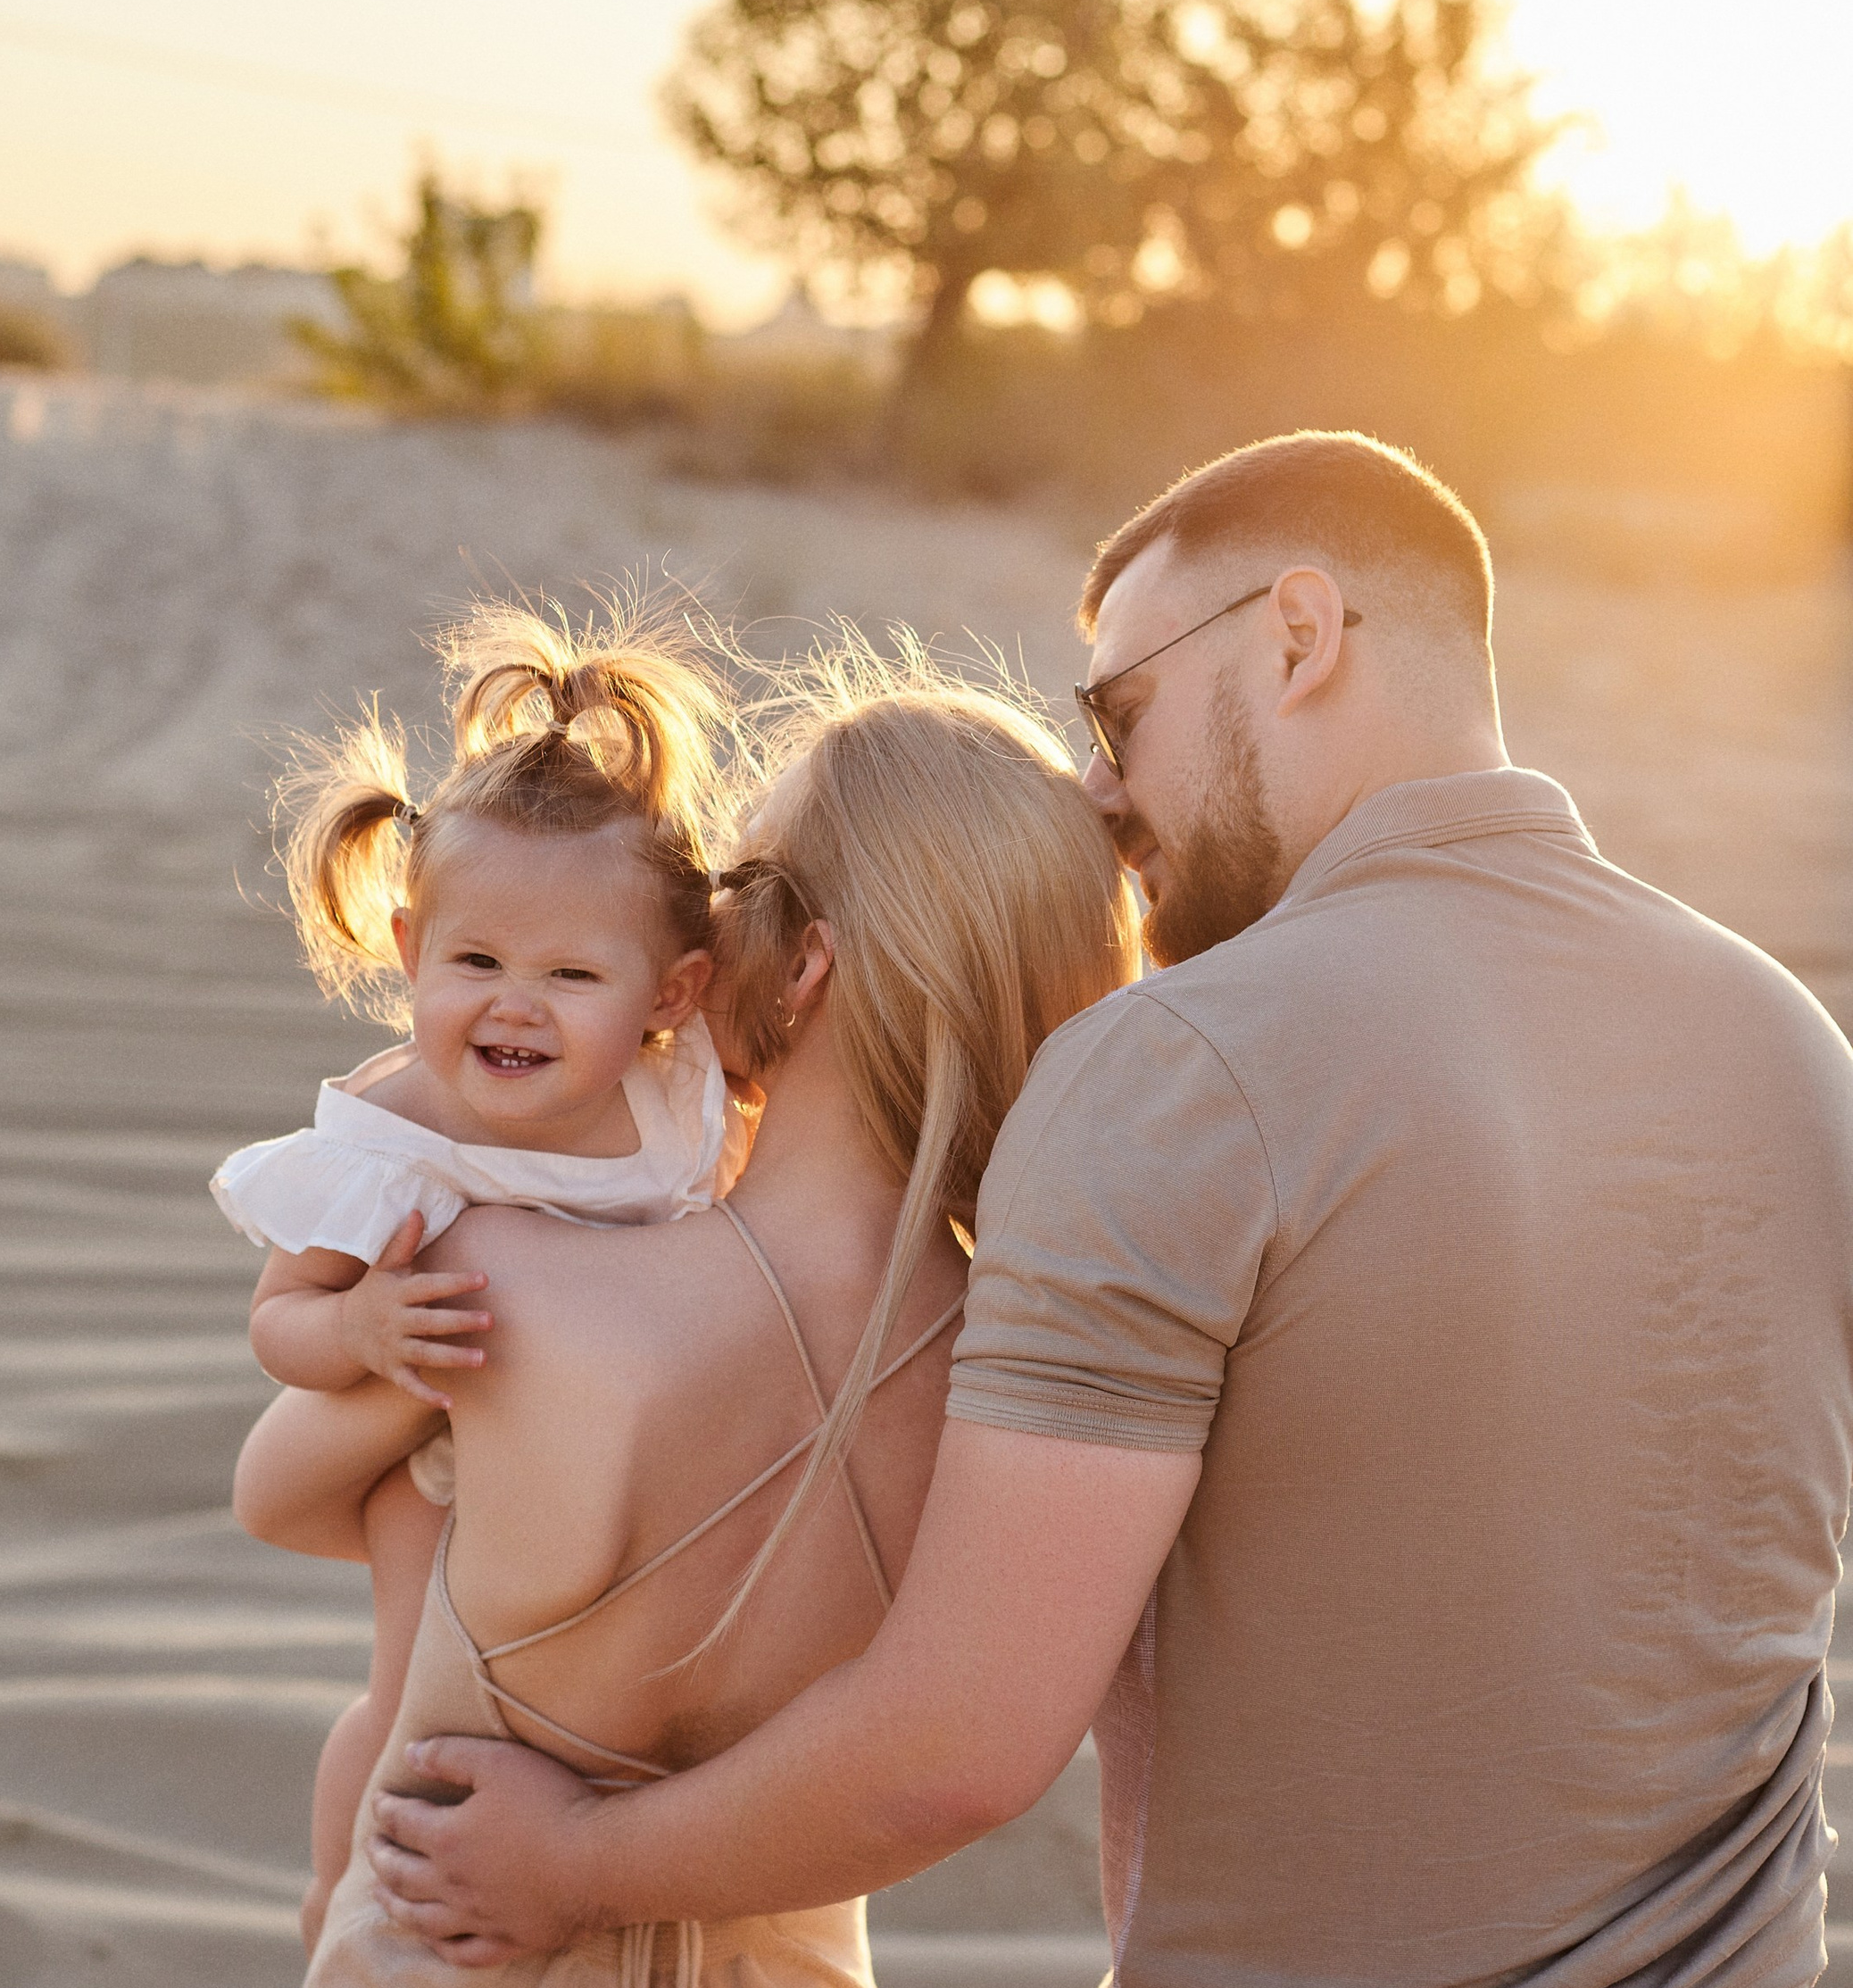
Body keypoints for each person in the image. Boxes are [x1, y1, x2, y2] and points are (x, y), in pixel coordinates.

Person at [370, 431, 1853, 1988]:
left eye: (1121, 712)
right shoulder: (1796, 1051)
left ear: (1300, 636)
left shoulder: (1181, 1065)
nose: (1102, 789)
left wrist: (572, 1867)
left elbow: (956, 1746)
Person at [235, 646, 1138, 1984]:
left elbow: (275, 1496)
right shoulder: (1032, 1381)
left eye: (734, 894)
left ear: (804, 966)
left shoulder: (512, 1281)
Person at [214, 599, 749, 1944]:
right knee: (413, 1699)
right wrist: (370, 1329)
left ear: (669, 998)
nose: (513, 1003)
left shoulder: (688, 1097)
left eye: (572, 973)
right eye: (475, 962)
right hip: (442, 1463)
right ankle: (348, 1893)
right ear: (407, 954)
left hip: (617, 1448)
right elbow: (281, 1323)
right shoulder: (398, 1136)